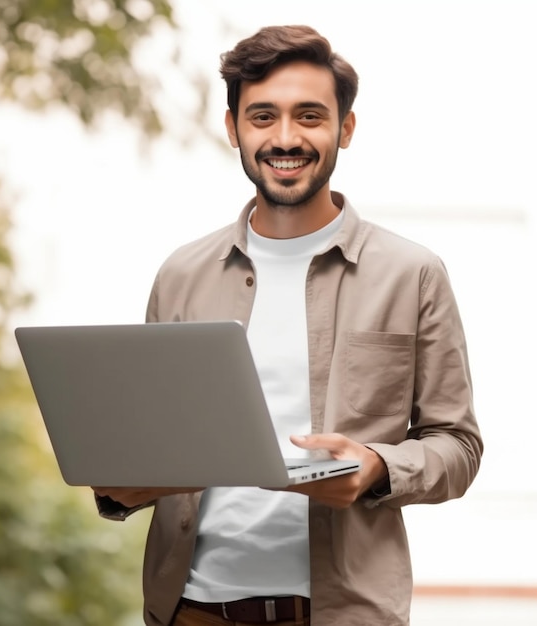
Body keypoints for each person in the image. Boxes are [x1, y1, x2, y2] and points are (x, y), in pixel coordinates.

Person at [93, 25, 483, 626]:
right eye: (262, 117)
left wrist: (377, 468)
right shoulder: (181, 275)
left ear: (345, 129)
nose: (285, 138)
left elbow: (458, 446)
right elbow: (153, 441)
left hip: (341, 614)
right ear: (233, 130)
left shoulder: (414, 275)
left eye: (309, 116)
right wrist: (123, 486)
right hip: (192, 611)